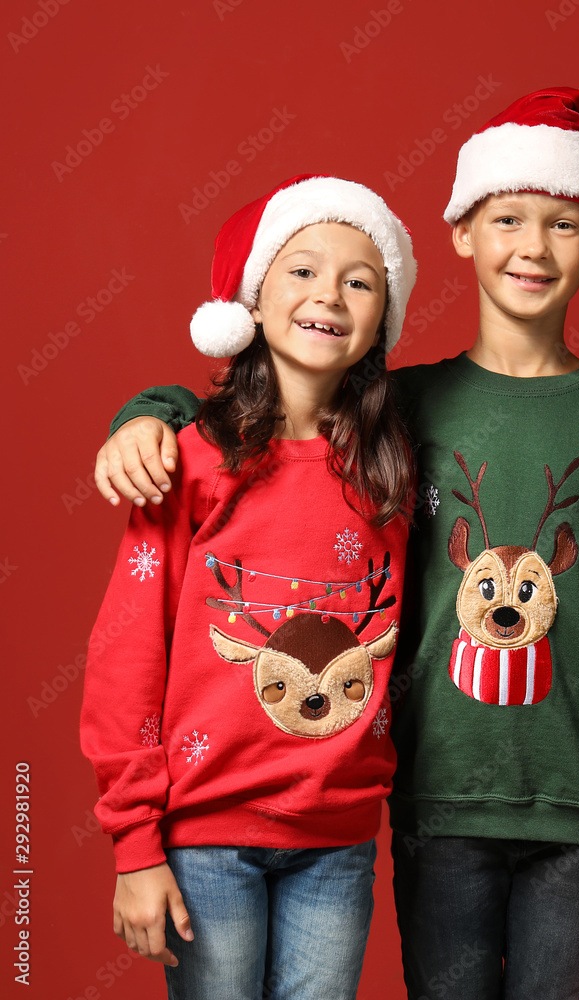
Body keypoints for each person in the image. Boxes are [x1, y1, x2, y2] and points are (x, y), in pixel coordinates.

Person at [93, 89, 579, 999]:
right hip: (428, 800)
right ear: (462, 232)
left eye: (564, 225)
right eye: (507, 218)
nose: (532, 248)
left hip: (574, 805)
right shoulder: (395, 414)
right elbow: (265, 410)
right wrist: (148, 415)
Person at [81, 173, 417, 1000]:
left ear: (381, 320)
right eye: (301, 270)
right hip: (205, 839)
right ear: (252, 304)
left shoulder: (397, 466)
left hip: (336, 840)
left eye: (359, 279)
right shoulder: (186, 460)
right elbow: (126, 656)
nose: (328, 295)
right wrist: (134, 844)